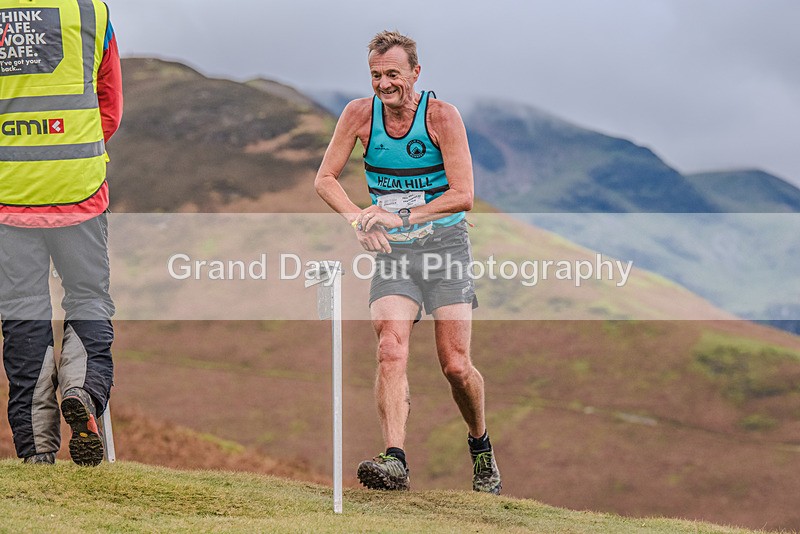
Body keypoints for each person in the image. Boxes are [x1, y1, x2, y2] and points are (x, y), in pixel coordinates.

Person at [315, 30, 501, 493]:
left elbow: (464, 196)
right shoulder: (359, 115)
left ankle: (481, 446)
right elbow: (325, 179)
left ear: (416, 73)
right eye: (376, 75)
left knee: (455, 365)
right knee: (390, 346)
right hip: (394, 257)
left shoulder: (442, 117)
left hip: (446, 249)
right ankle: (395, 459)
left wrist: (399, 215)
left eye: (393, 74)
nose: (384, 84)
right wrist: (360, 220)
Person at [0, 0, 123, 466]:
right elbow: (108, 103)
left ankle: (37, 452)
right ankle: (83, 391)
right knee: (88, 298)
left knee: (23, 313)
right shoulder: (92, 12)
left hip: (8, 193)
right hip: (79, 188)